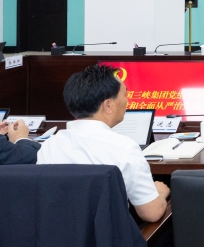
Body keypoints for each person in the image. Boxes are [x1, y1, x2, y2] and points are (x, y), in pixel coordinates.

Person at [37, 65, 169, 222]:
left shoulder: (49, 146)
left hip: (58, 234)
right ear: (108, 106)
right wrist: (161, 193)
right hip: (107, 236)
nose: (127, 101)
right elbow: (151, 213)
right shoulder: (124, 148)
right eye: (125, 95)